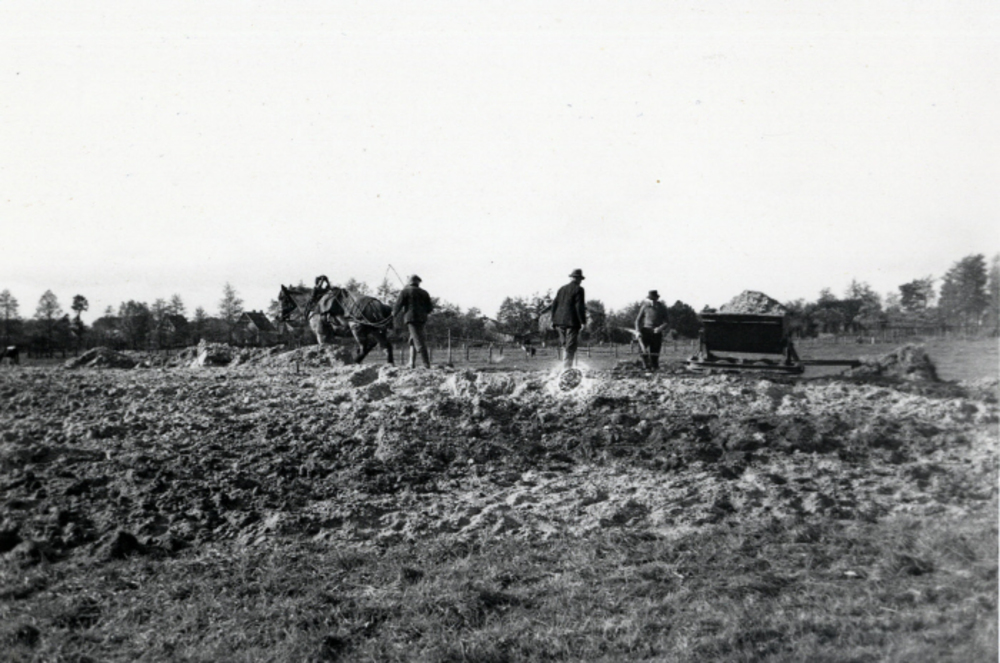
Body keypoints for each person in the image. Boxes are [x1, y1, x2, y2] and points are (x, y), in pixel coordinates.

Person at [393, 275, 434, 368]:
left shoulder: (405, 291)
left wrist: (394, 314)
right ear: (418, 282)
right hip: (422, 319)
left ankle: (426, 363)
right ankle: (411, 363)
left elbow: (398, 305)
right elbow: (430, 308)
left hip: (411, 319)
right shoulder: (424, 292)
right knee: (413, 339)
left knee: (418, 341)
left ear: (409, 281)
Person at [550, 269, 587, 369]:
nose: (580, 281)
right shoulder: (579, 289)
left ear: (571, 278)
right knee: (570, 346)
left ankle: (564, 366)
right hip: (572, 322)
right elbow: (579, 306)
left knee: (564, 345)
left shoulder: (562, 289)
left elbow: (554, 305)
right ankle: (567, 368)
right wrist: (583, 322)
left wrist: (553, 319)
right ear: (578, 279)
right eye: (580, 279)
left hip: (559, 321)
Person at [635, 289, 670, 370]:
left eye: (654, 299)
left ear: (657, 299)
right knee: (642, 351)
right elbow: (637, 321)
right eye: (650, 299)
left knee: (655, 353)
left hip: (656, 333)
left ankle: (655, 369)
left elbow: (667, 322)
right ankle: (646, 366)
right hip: (646, 331)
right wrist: (637, 331)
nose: (652, 301)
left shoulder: (662, 308)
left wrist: (660, 328)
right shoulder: (644, 307)